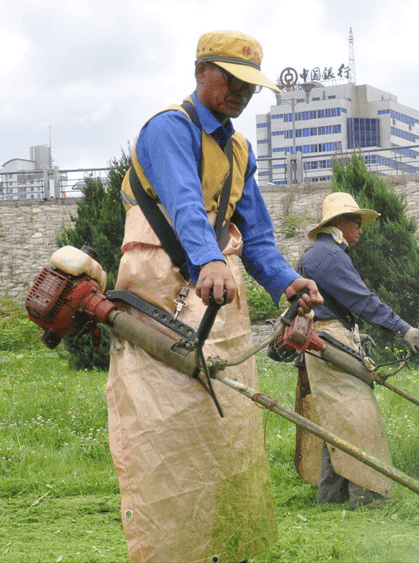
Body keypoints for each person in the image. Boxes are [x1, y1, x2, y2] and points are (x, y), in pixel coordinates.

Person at [106, 30, 322, 563]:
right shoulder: (167, 129)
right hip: (158, 291)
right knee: (165, 434)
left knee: (227, 427)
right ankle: (169, 551)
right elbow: (182, 203)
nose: (242, 95)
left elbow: (258, 236)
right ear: (202, 70)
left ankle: (229, 547)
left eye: (250, 86)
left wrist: (284, 282)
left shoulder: (239, 149)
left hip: (217, 300)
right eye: (232, 80)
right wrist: (207, 259)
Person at [292, 192, 419, 509]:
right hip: (327, 340)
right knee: (359, 418)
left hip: (326, 339)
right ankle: (368, 498)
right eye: (356, 221)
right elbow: (363, 301)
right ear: (339, 223)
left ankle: (331, 496)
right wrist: (403, 328)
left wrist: (356, 335)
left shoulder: (324, 253)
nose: (361, 229)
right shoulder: (327, 256)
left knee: (338, 420)